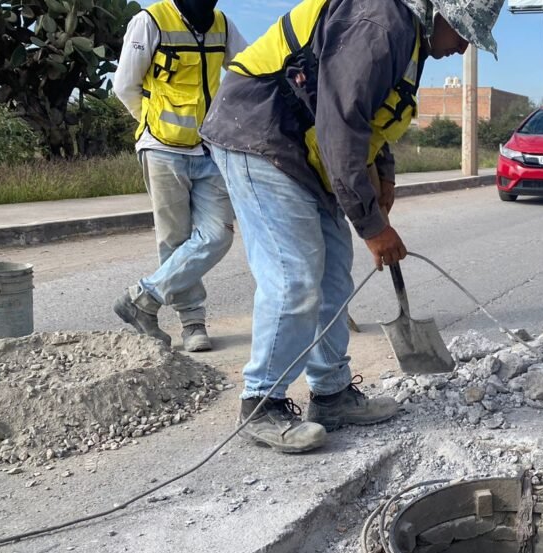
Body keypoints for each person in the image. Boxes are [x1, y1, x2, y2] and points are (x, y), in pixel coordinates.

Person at [200, 0, 504, 453]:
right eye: (462, 34)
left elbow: (369, 119)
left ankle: (331, 394)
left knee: (335, 272)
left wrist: (383, 177)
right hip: (260, 137)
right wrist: (372, 226)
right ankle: (262, 401)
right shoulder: (381, 23)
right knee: (295, 275)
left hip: (301, 152)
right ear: (440, 14)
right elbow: (340, 125)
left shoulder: (409, 38)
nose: (461, 48)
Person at [113, 0, 247, 352]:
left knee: (218, 234)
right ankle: (192, 325)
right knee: (174, 238)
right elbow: (124, 84)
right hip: (161, 148)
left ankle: (143, 298)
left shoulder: (222, 25)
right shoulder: (151, 21)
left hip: (208, 148)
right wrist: (151, 124)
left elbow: (247, 67)